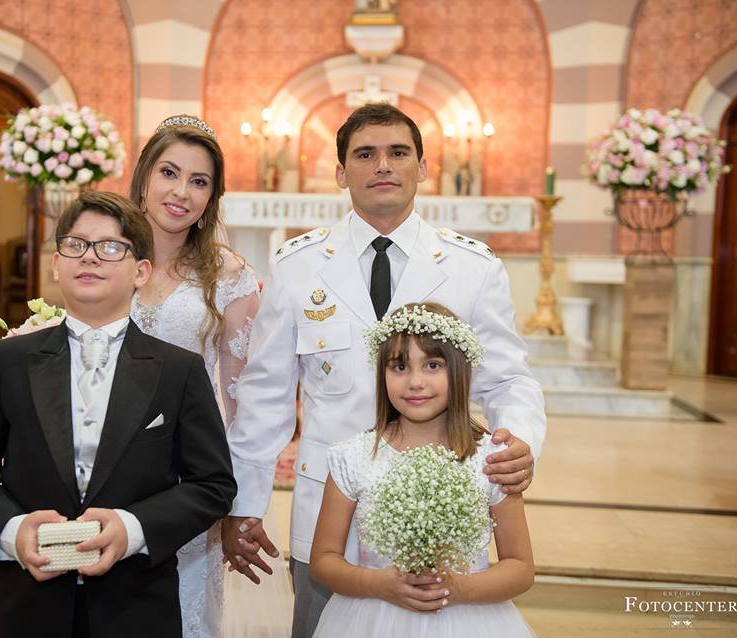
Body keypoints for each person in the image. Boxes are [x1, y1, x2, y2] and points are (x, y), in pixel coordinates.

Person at [222, 103, 546, 638]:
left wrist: (518, 442)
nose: (382, 165)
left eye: (398, 152)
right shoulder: (297, 265)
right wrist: (246, 502)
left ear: (423, 167)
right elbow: (265, 396)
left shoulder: (472, 267)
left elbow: (509, 380)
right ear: (340, 171)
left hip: (440, 516)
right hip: (327, 522)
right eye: (365, 154)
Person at [0, 192, 237, 637]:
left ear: (141, 271)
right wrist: (13, 531)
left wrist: (133, 528)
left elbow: (213, 484)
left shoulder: (178, 371)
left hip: (135, 607)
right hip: (30, 606)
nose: (90, 257)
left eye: (111, 247)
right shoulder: (10, 361)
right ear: (56, 265)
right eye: (76, 244)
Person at [309, 302, 535, 637]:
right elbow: (323, 560)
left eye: (432, 365)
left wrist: (456, 588)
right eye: (399, 367)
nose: (415, 382)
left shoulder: (492, 460)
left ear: (459, 370)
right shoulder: (353, 458)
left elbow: (521, 568)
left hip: (469, 620)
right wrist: (378, 584)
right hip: (372, 619)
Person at [129, 114, 260, 638]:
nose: (181, 192)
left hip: (186, 475)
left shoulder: (230, 276)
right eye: (169, 172)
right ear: (144, 176)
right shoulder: (106, 255)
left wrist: (235, 502)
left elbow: (241, 400)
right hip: (103, 467)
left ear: (212, 197)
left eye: (199, 181)